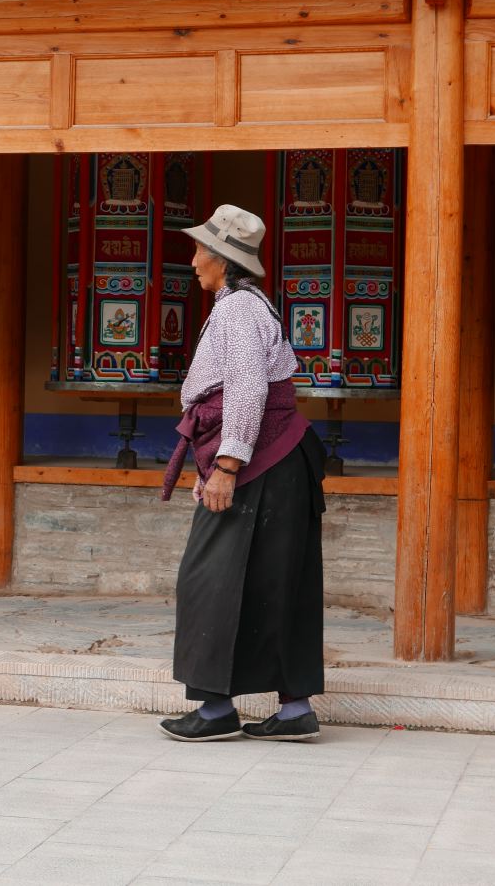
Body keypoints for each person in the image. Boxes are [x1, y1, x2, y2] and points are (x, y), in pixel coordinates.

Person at [157, 204, 326, 743]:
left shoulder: (236, 311)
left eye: (200, 250)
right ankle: (293, 708)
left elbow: (249, 390)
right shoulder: (243, 305)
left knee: (206, 576)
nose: (193, 261)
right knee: (278, 579)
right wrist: (211, 462)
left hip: (262, 460)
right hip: (273, 458)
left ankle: (213, 712)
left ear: (223, 259)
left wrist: (227, 466)